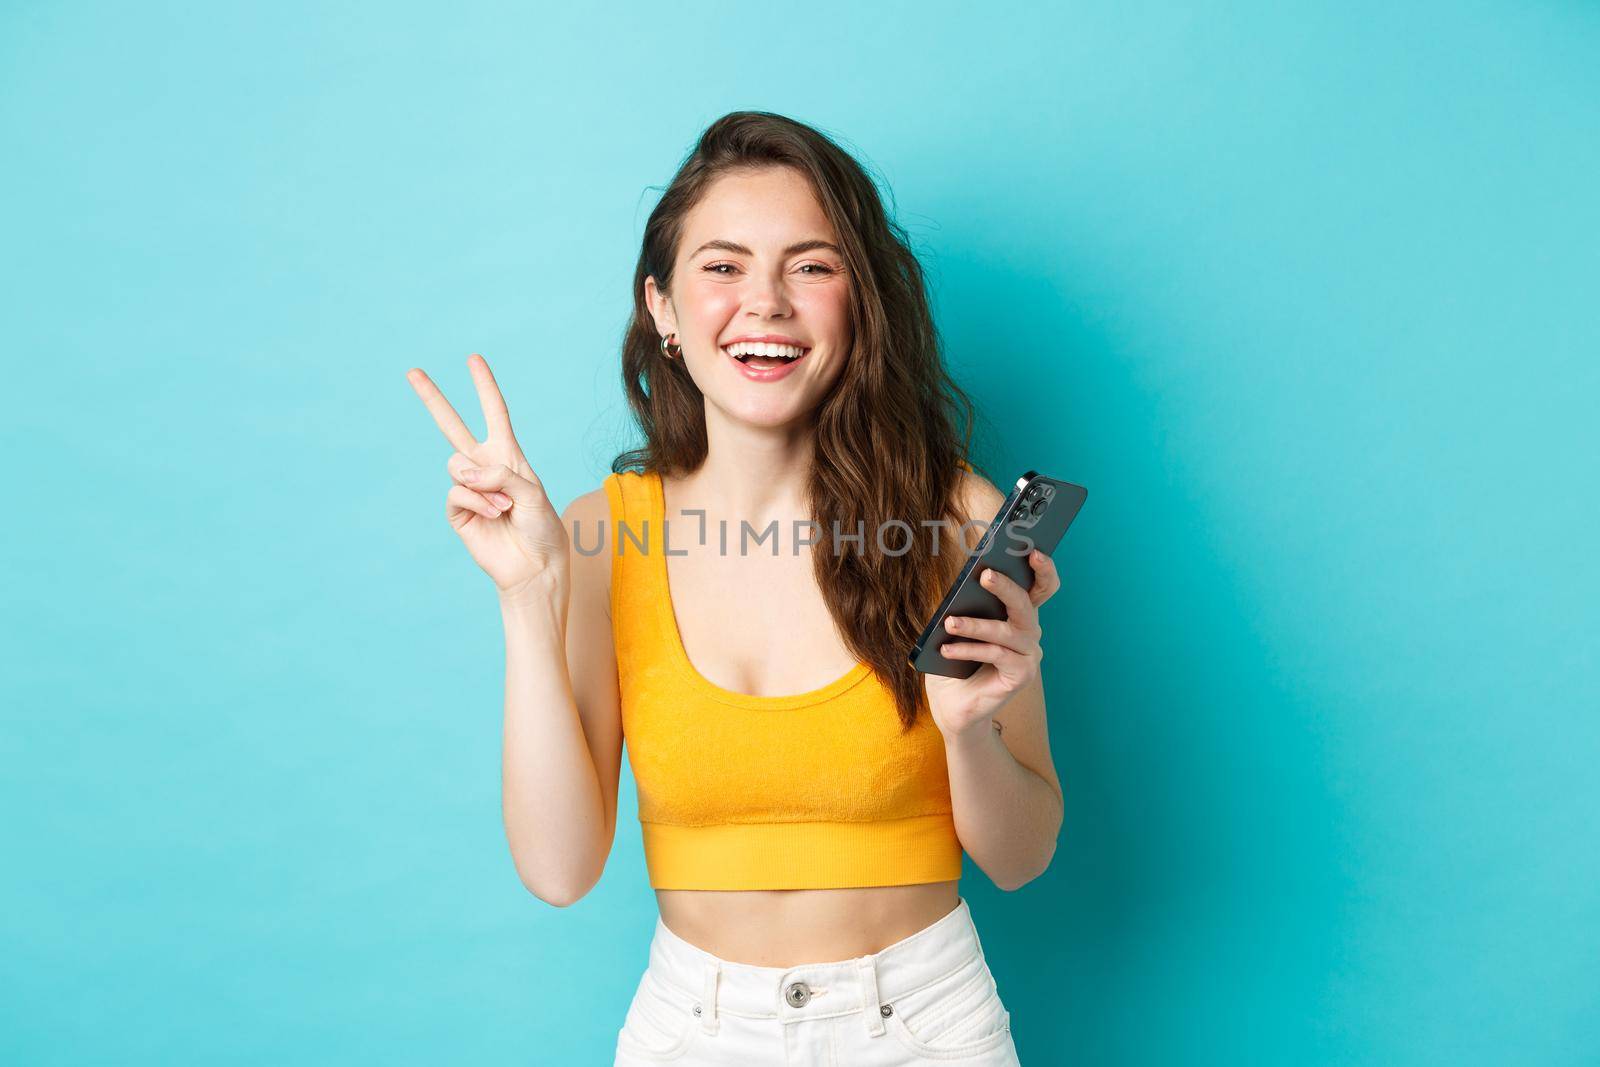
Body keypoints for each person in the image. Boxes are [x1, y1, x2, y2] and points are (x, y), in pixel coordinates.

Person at [406, 110, 1064, 1066]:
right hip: (692, 1030)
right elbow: (559, 868)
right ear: (663, 309)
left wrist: (967, 729)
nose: (766, 302)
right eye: (721, 267)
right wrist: (527, 595)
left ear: (860, 302)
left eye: (811, 265)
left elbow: (1022, 854)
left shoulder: (956, 519)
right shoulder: (600, 534)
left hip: (925, 1026)